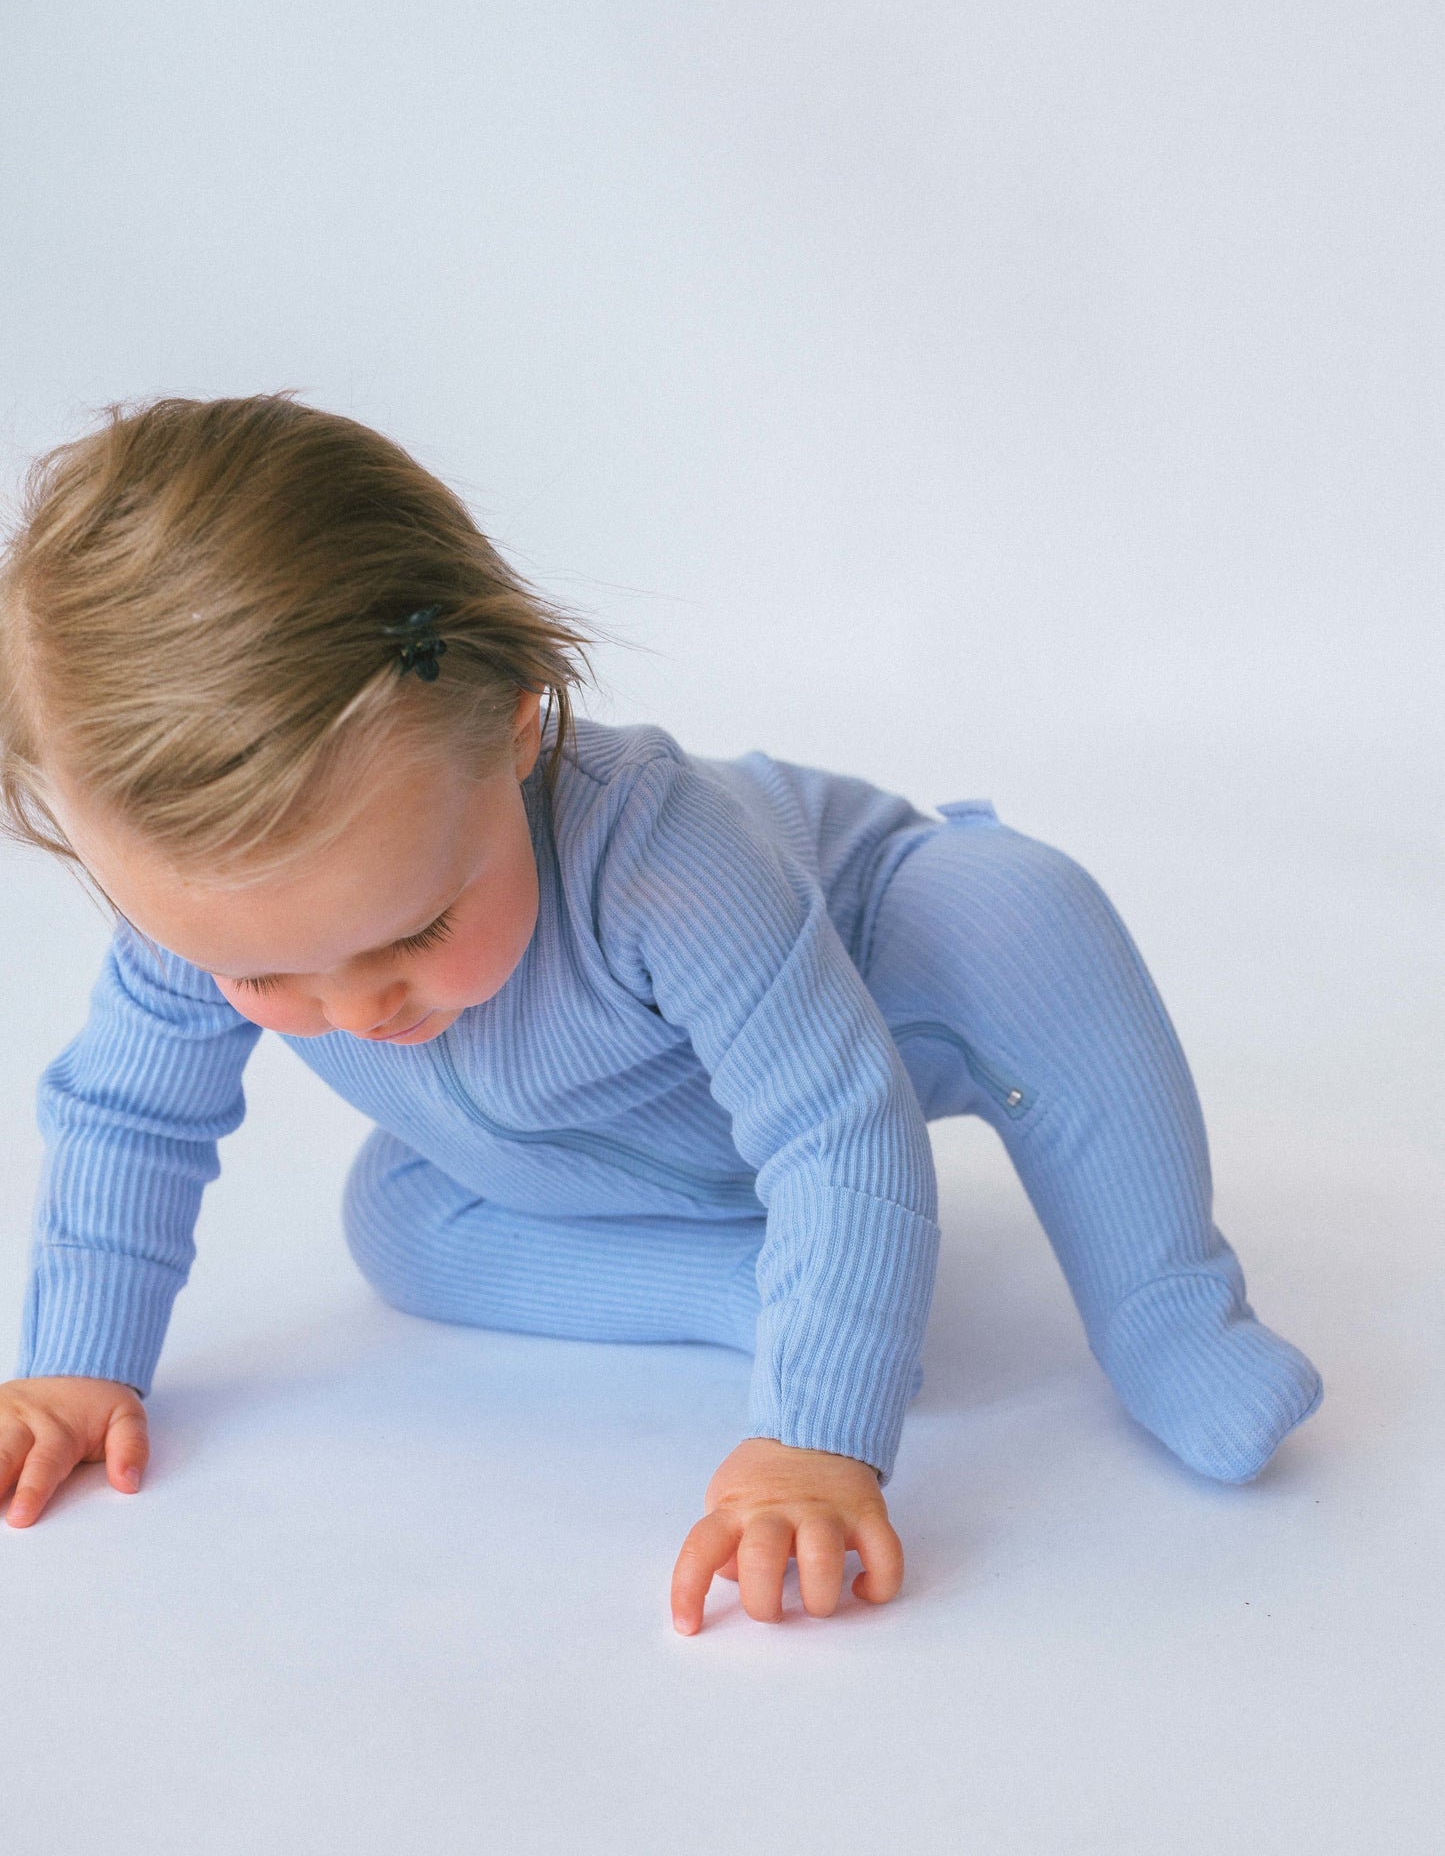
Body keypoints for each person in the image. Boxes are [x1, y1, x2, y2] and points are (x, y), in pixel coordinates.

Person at [0, 396, 1321, 1633]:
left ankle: (1165, 1308)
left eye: (412, 932)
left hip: (871, 1008)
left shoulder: (665, 864)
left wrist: (813, 1437)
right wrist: (75, 1364)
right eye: (263, 978)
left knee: (1016, 912)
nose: (353, 1009)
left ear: (516, 735)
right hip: (601, 1146)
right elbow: (130, 1116)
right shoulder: (198, 920)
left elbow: (837, 1133)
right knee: (400, 1225)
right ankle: (774, 1283)